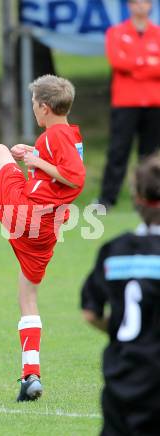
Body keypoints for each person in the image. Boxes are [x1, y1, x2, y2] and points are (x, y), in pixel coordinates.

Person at [0, 75, 86, 401]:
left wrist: (35, 160)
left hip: (28, 213)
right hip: (46, 230)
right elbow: (60, 170)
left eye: (35, 104)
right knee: (28, 298)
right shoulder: (65, 134)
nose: (33, 109)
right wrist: (35, 153)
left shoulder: (54, 136)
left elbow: (75, 179)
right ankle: (30, 375)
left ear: (45, 108)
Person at [81, 153, 160, 435]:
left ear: (137, 198)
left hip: (121, 378)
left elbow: (90, 312)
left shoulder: (114, 251)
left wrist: (120, 329)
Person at [99, 0, 160, 209]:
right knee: (118, 151)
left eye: (144, 1)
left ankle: (147, 198)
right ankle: (107, 199)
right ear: (129, 6)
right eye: (135, 2)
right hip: (125, 102)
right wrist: (148, 62)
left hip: (154, 102)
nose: (140, 6)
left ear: (151, 6)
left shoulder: (157, 33)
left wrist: (135, 64)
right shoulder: (116, 32)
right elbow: (118, 62)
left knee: (149, 154)